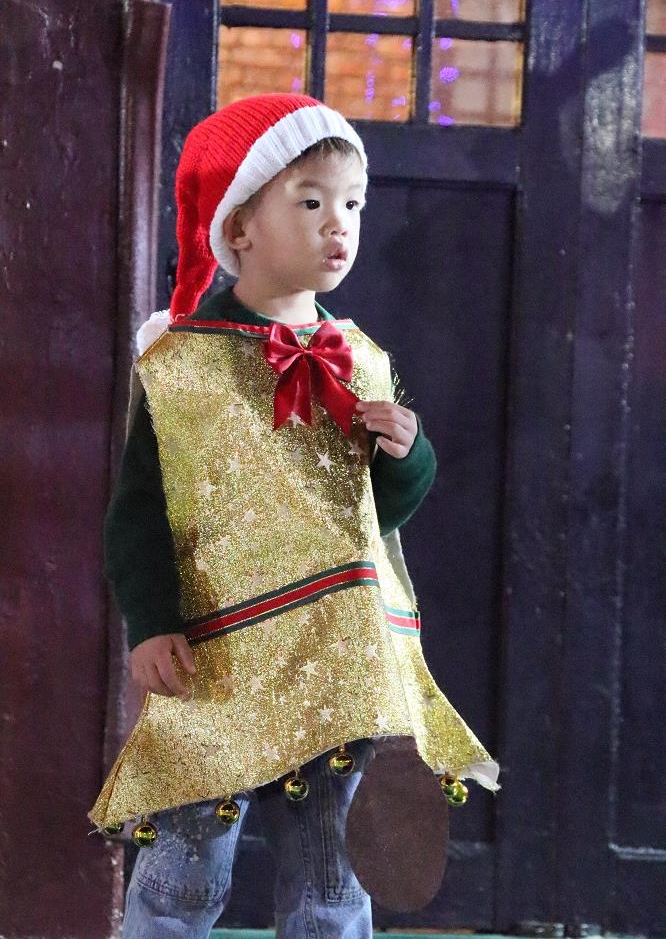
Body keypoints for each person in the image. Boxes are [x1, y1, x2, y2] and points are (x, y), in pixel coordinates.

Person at [89, 93, 500, 938]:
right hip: (217, 659)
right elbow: (139, 511)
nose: (338, 224)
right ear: (239, 227)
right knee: (184, 870)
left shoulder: (362, 359)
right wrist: (151, 624)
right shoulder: (182, 364)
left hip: (336, 659)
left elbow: (376, 514)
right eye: (311, 202)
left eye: (352, 204)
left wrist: (406, 456)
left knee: (331, 871)